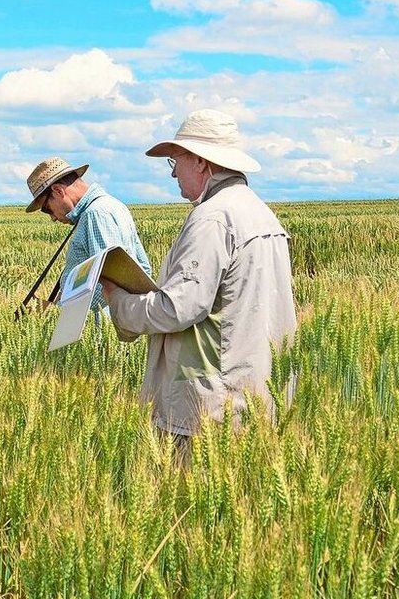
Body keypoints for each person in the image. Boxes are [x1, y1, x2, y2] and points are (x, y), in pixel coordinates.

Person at [101, 109, 297, 452]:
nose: (173, 172)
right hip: (258, 394)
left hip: (210, 405)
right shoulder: (261, 214)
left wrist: (119, 302)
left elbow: (179, 308)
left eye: (176, 160)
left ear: (201, 162)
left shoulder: (212, 218)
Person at [24, 156, 151, 311]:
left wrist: (58, 312)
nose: (52, 218)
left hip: (98, 330)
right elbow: (143, 269)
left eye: (47, 209)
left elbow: (112, 285)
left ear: (58, 191)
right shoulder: (114, 206)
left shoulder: (96, 214)